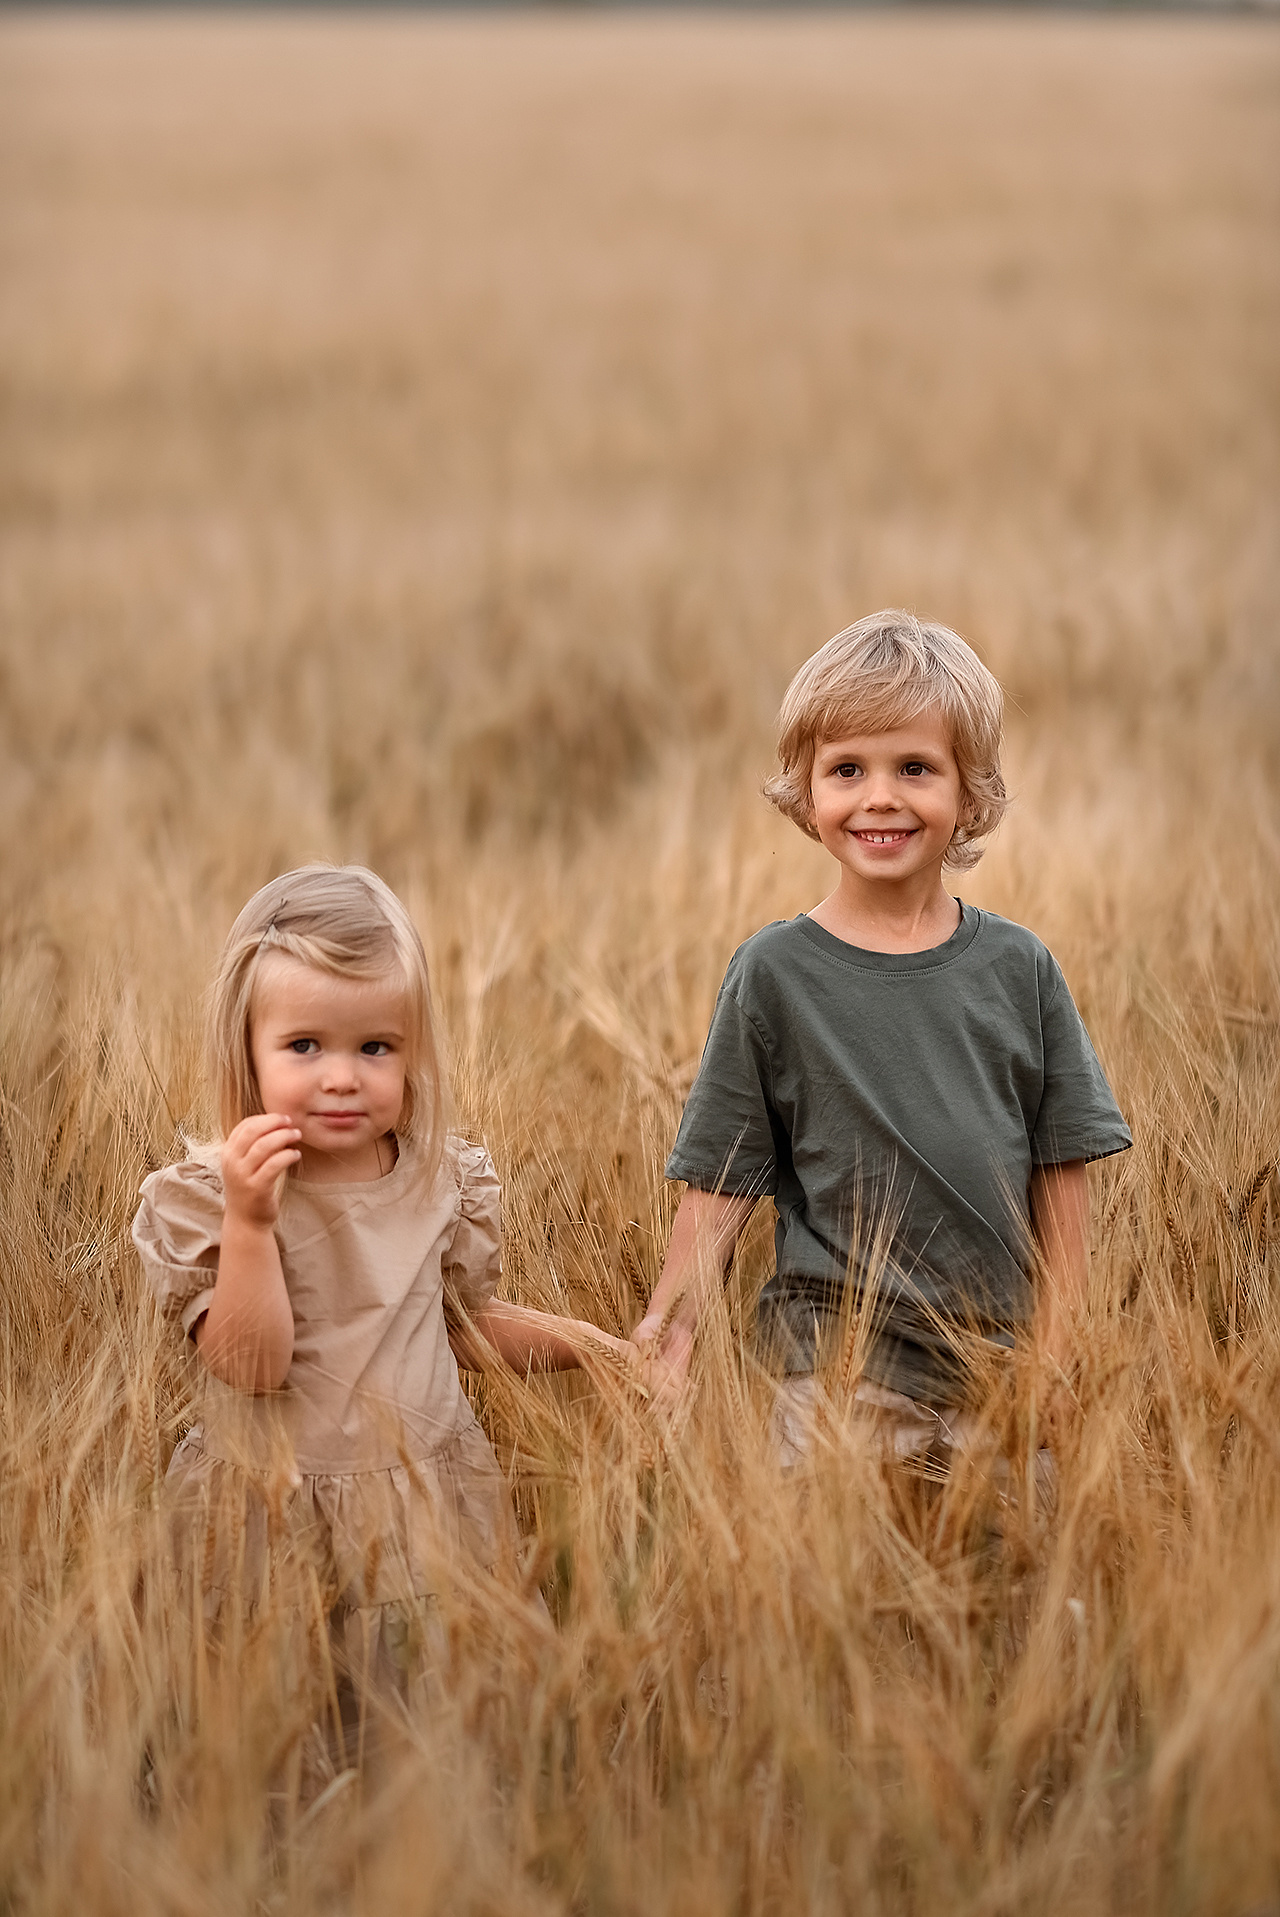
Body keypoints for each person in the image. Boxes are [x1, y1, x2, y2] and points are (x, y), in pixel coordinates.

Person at [633, 610, 1131, 1473]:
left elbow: (1061, 1172)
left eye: (915, 767)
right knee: (845, 1602)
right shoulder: (774, 974)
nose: (880, 797)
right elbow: (720, 1182)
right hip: (833, 1376)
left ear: (970, 791)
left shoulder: (1021, 969)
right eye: (847, 769)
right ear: (806, 787)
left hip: (1001, 1375)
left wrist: (1059, 1348)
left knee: (1011, 1598)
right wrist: (670, 1325)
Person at [133, 863, 634, 1707]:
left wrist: (598, 1348)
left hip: (426, 1509)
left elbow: (460, 1326)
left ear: (413, 1051)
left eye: (376, 1048)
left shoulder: (442, 1178)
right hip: (273, 1511)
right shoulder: (211, 1197)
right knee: (282, 1733)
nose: (342, 1075)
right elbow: (251, 1365)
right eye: (304, 1046)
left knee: (431, 1726)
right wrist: (251, 1225)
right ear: (245, 1051)